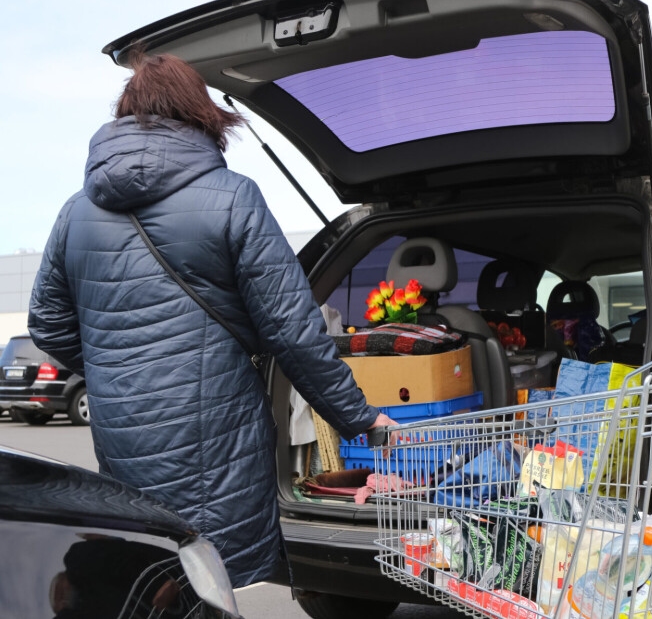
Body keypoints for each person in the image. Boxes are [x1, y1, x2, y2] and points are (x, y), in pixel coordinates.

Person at [28, 52, 396, 588]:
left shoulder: (75, 212)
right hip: (218, 437)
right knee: (212, 580)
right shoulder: (232, 197)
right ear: (201, 113)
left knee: (148, 575)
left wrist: (120, 373)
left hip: (123, 439)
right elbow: (293, 331)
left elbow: (47, 324)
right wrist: (360, 418)